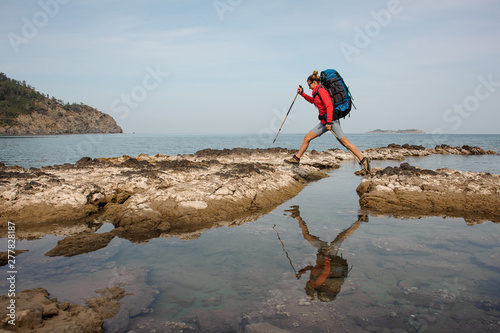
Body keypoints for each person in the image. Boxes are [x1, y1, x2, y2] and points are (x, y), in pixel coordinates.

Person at [284, 70, 370, 173]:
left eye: (309, 84)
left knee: (345, 143)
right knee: (307, 138)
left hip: (331, 122)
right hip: (325, 122)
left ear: (314, 82)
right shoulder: (316, 92)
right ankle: (296, 159)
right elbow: (312, 101)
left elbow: (329, 105)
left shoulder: (321, 90)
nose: (309, 87)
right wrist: (302, 93)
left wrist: (329, 122)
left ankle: (364, 160)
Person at [284, 205, 368, 302]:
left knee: (307, 236)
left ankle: (297, 215)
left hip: (322, 252)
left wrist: (302, 271)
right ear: (310, 287)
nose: (306, 284)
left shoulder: (313, 281)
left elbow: (312, 268)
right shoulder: (317, 282)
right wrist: (327, 256)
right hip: (329, 255)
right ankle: (361, 220)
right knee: (342, 236)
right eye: (306, 286)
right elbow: (326, 271)